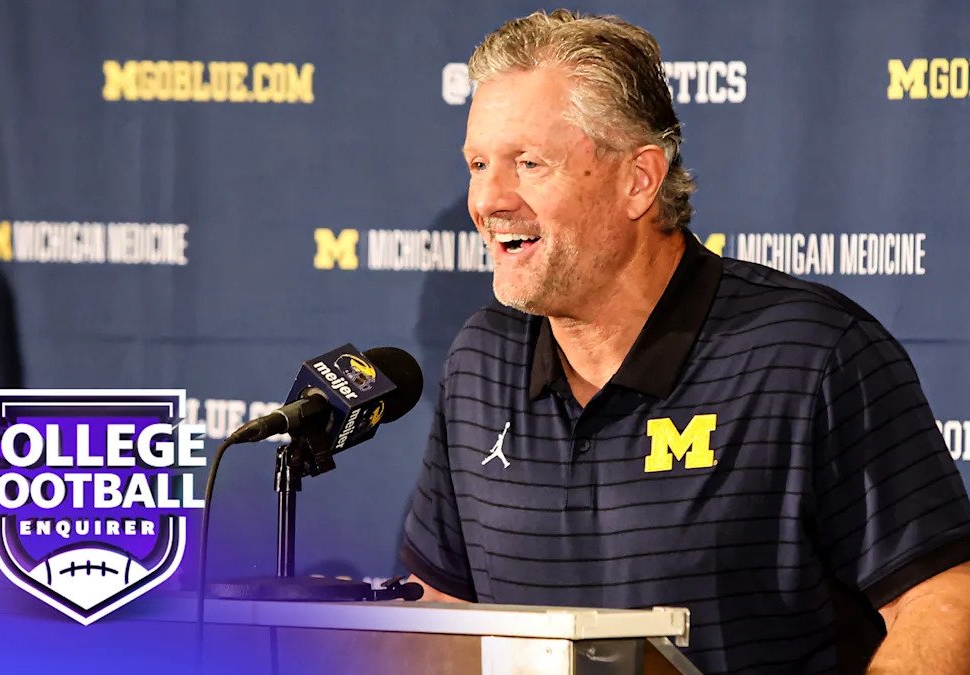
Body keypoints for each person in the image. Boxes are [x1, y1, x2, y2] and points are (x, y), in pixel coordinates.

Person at [400, 10, 970, 674]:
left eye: (528, 163)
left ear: (639, 179)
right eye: (478, 164)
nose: (489, 199)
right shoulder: (481, 359)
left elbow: (945, 599)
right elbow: (439, 605)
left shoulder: (811, 353)